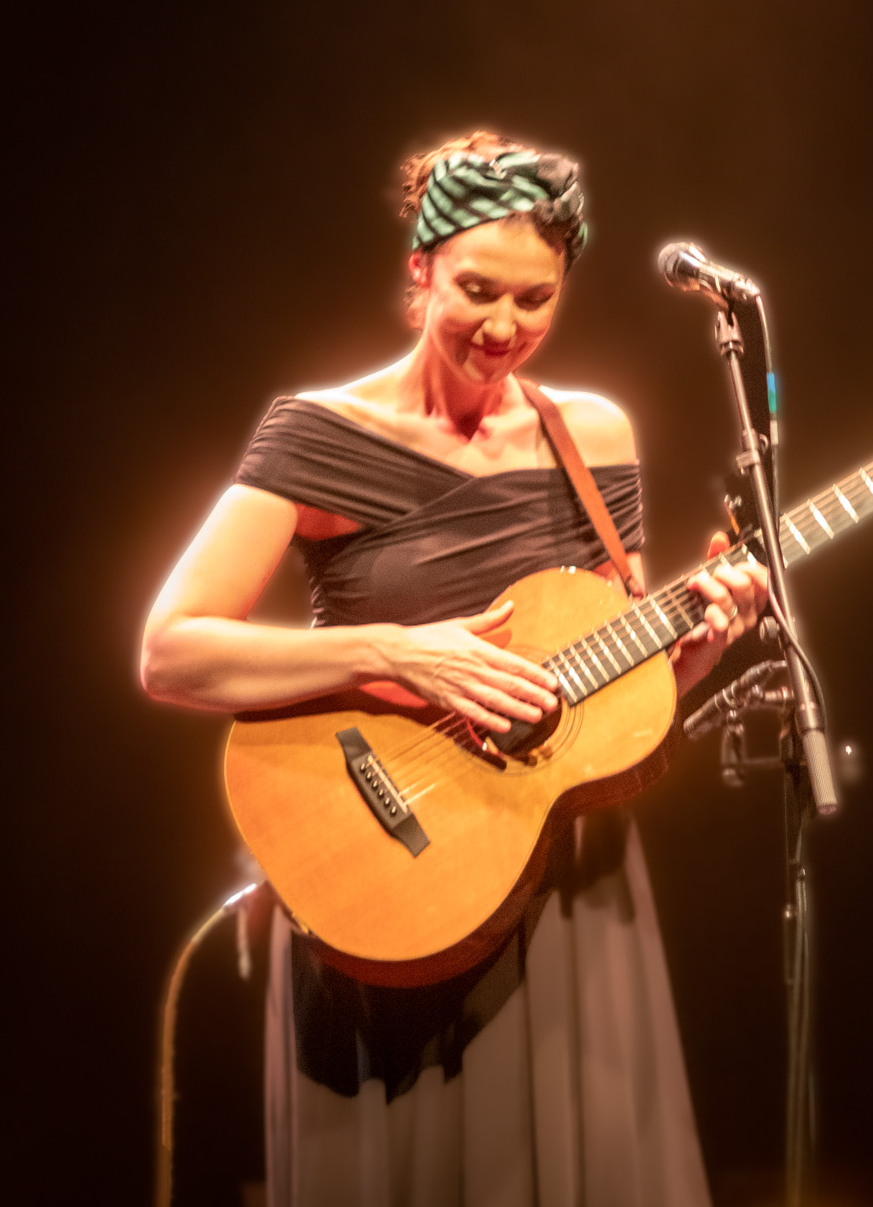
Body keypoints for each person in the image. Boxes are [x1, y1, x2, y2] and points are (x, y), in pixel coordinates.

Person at [142, 132, 767, 1206]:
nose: (504, 328)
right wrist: (401, 652)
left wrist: (704, 638)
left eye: (536, 300)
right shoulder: (320, 433)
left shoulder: (593, 432)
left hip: (566, 892)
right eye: (478, 289)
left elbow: (608, 699)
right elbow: (172, 648)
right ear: (419, 267)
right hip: (391, 882)